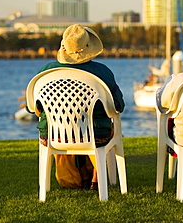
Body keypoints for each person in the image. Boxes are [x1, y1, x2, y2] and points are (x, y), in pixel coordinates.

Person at [28, 24, 125, 190]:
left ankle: (76, 178)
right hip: (95, 134)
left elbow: (33, 109)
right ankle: (96, 177)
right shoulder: (102, 72)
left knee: (73, 128)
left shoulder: (46, 71)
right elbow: (118, 106)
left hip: (54, 134)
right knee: (106, 126)